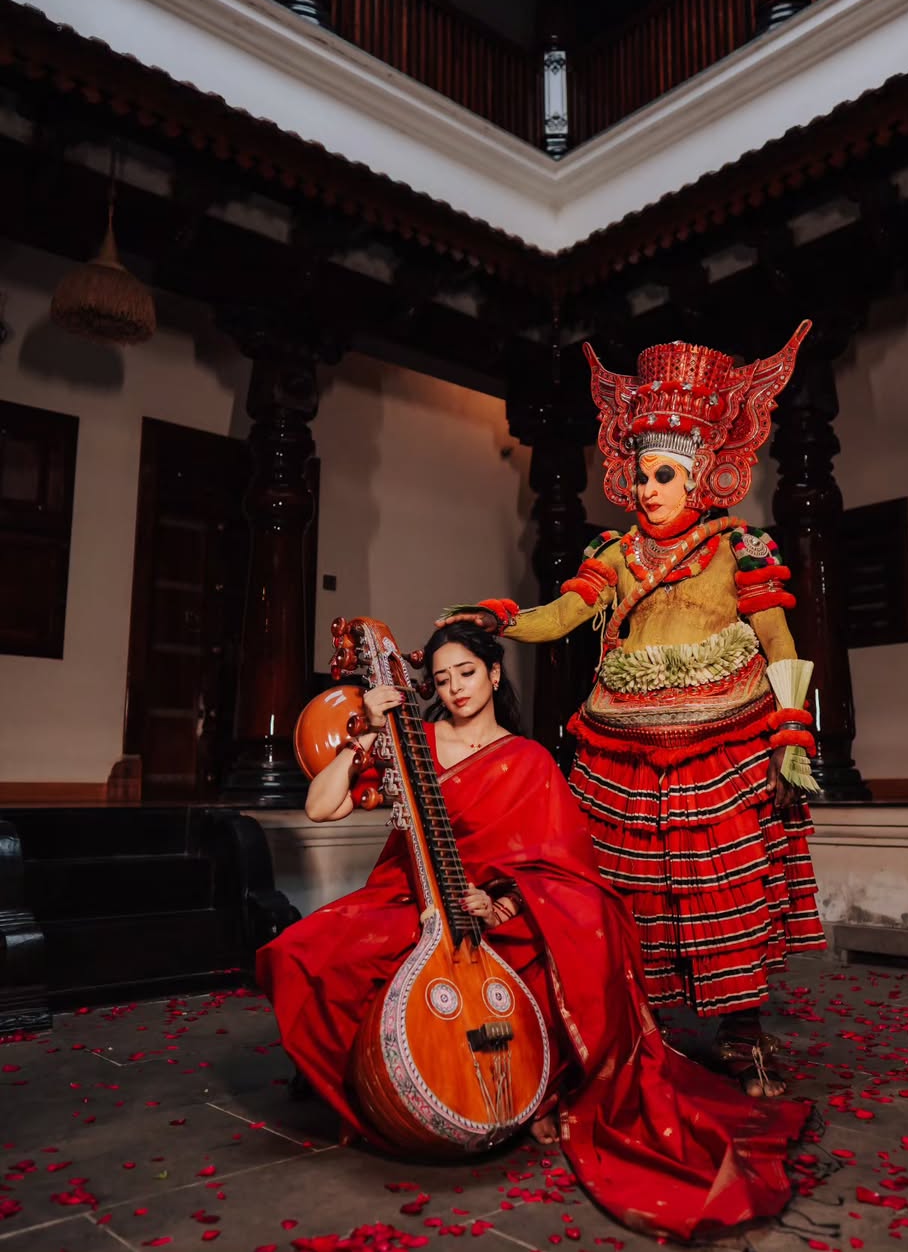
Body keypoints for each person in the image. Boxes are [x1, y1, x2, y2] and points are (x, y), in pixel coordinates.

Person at [257, 621, 811, 1242]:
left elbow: (560, 864)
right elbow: (321, 807)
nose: (456, 687)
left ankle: (535, 1088)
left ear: (494, 674)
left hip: (494, 910)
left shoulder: (528, 759)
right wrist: (364, 733)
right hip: (411, 895)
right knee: (302, 952)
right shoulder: (414, 738)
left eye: (467, 672)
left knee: (578, 933)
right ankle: (371, 1082)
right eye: (442, 679)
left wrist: (499, 907)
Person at [444, 328, 828, 1098]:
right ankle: (634, 1025)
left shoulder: (739, 549)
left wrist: (793, 734)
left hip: (725, 743)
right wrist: (500, 619)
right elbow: (562, 616)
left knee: (727, 886)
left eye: (664, 475)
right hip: (622, 749)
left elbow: (780, 641)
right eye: (642, 474)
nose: (649, 489)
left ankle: (741, 1032)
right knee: (625, 888)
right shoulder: (616, 554)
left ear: (700, 476)